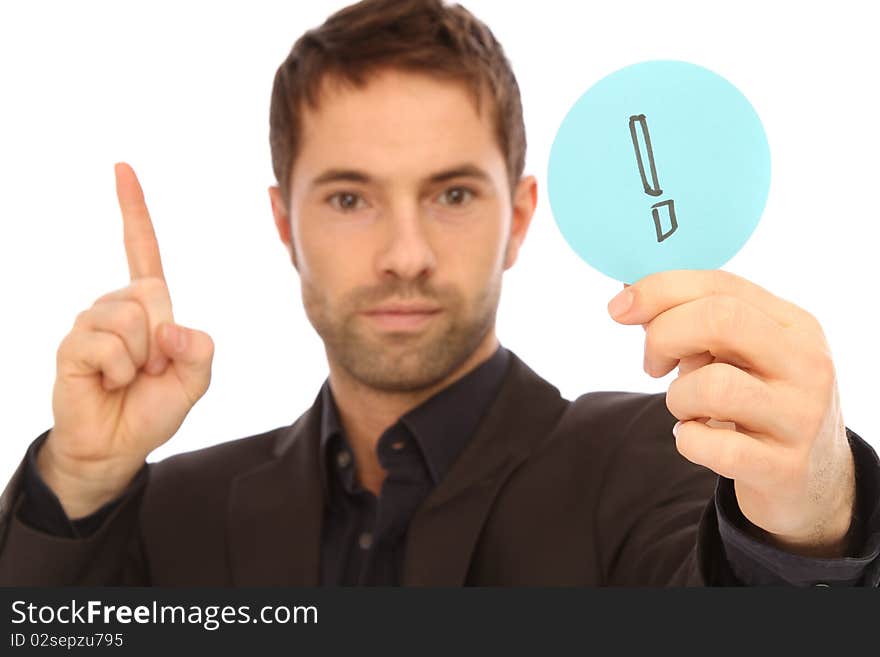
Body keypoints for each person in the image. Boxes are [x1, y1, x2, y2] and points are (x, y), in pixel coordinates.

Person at [0, 0, 877, 586]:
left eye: (452, 193)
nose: (405, 254)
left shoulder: (662, 459)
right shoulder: (164, 510)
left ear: (522, 216)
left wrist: (807, 524)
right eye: (350, 198)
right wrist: (77, 482)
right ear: (282, 224)